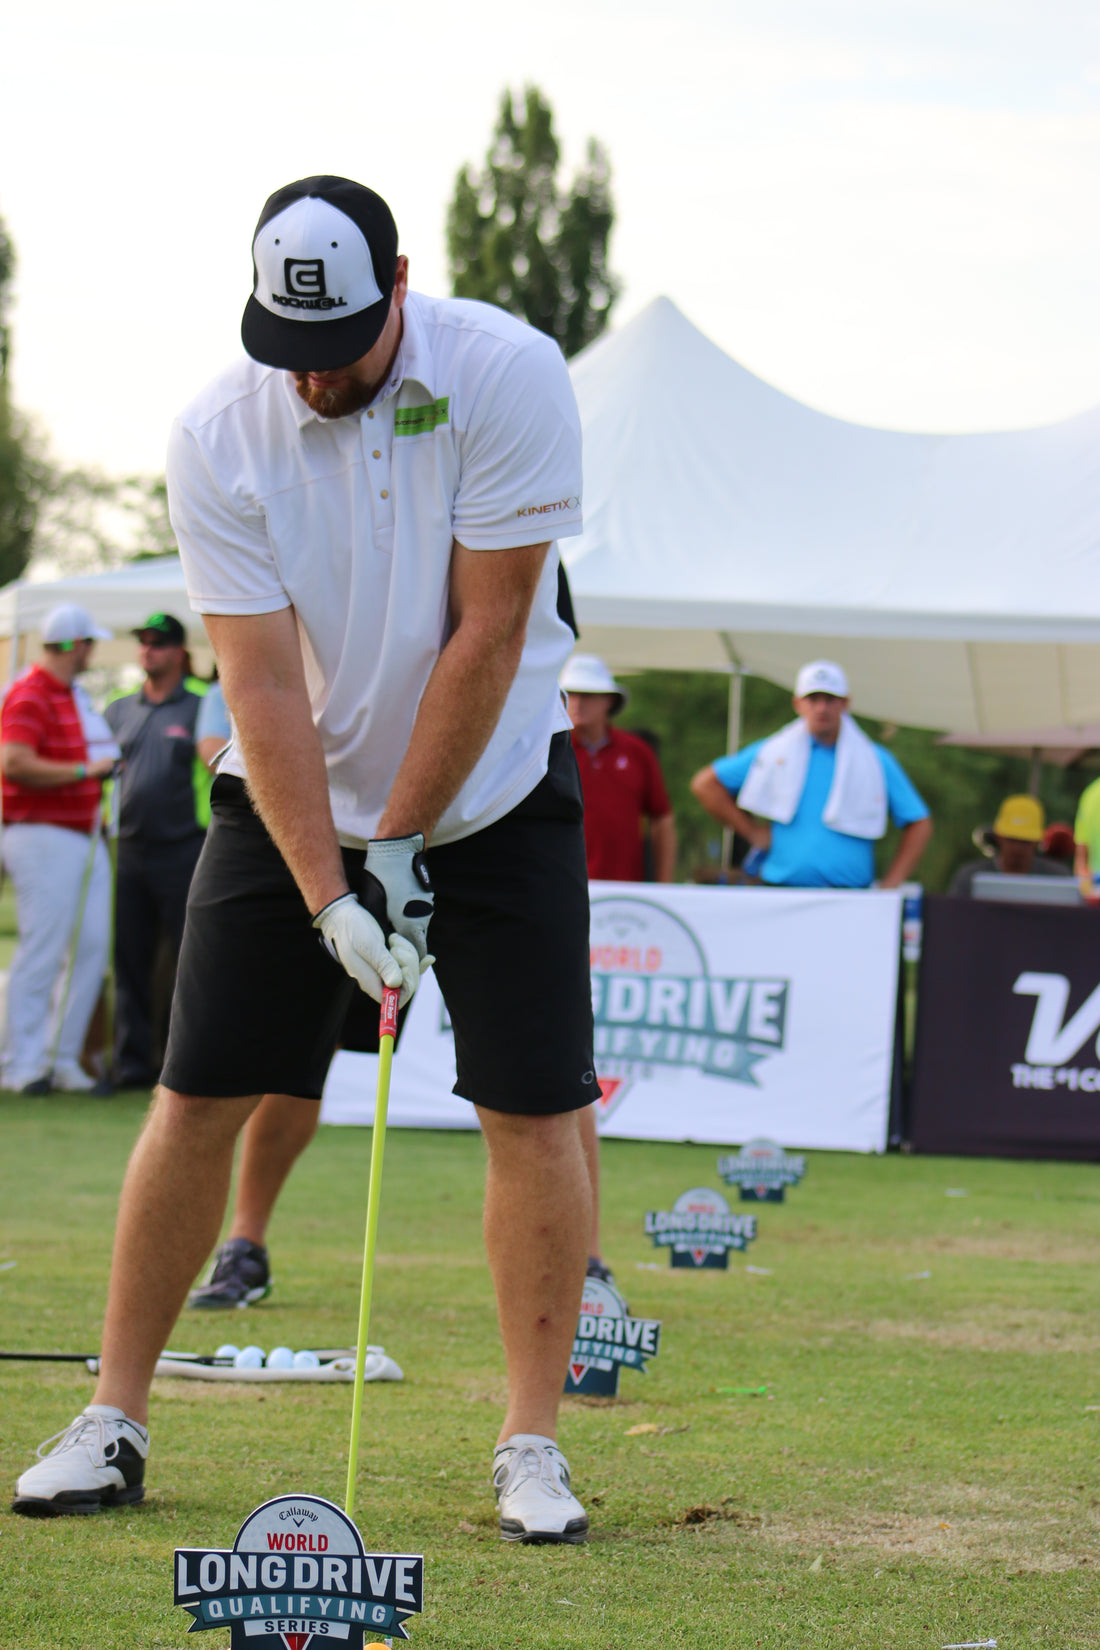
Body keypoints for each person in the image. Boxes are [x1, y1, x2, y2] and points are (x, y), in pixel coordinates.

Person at [14, 174, 594, 1546]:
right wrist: (332, 883)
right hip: (286, 800)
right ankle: (115, 1414)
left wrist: (398, 840)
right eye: (292, 350)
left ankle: (531, 1441)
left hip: (503, 786)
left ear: (399, 282)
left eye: (340, 348)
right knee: (197, 1090)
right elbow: (261, 684)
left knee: (530, 1105)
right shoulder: (219, 429)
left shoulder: (507, 371)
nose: (316, 378)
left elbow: (491, 628)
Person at [0, 605, 117, 1093]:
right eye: (88, 643)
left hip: (84, 835)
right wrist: (83, 773)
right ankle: (19, 1065)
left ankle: (62, 1058)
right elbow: (13, 762)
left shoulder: (74, 696)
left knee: (91, 946)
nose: (92, 651)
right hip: (40, 833)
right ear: (73, 645)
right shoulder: (29, 694)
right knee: (43, 948)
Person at [690, 660, 932, 889]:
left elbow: (918, 821)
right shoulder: (773, 752)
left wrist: (891, 884)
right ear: (798, 704)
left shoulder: (875, 760)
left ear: (845, 703)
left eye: (830, 699)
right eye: (813, 698)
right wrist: (751, 832)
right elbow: (705, 784)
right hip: (780, 891)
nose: (821, 708)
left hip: (849, 898)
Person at [103, 613, 209, 1089]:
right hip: (128, 848)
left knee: (187, 958)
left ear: (179, 653)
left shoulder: (200, 707)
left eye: (160, 643)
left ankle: (178, 1061)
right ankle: (131, 1062)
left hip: (184, 845)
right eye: (144, 642)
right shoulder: (118, 709)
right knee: (129, 957)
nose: (149, 650)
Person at [563, 654, 677, 883]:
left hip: (625, 887)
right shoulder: (549, 751)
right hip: (562, 884)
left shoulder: (637, 752)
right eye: (569, 694)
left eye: (587, 694)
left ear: (609, 700)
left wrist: (664, 884)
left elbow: (662, 820)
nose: (577, 702)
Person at [949, 794, 1072, 896]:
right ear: (999, 837)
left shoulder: (1058, 879)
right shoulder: (971, 877)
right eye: (1012, 839)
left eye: (1025, 841)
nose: (1018, 848)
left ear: (1037, 842)